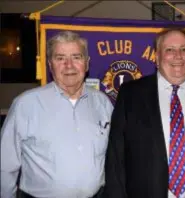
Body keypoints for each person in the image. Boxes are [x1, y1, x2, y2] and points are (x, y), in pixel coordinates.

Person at [104, 28, 185, 198]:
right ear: (157, 58)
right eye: (170, 50)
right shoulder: (131, 95)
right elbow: (116, 158)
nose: (178, 56)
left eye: (184, 49)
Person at [0, 31, 113, 198]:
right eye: (60, 58)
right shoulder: (26, 104)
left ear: (87, 64)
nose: (69, 65)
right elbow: (5, 164)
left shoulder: (103, 103)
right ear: (50, 64)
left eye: (76, 57)